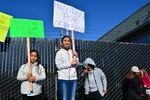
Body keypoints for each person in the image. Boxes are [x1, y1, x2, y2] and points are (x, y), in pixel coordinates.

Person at [55, 35, 79, 100]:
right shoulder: (59, 53)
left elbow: (76, 65)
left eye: (68, 41)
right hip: (63, 79)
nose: (67, 42)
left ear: (70, 43)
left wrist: (76, 57)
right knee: (64, 98)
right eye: (65, 41)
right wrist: (70, 63)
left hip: (73, 79)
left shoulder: (73, 52)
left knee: (72, 98)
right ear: (62, 42)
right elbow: (58, 66)